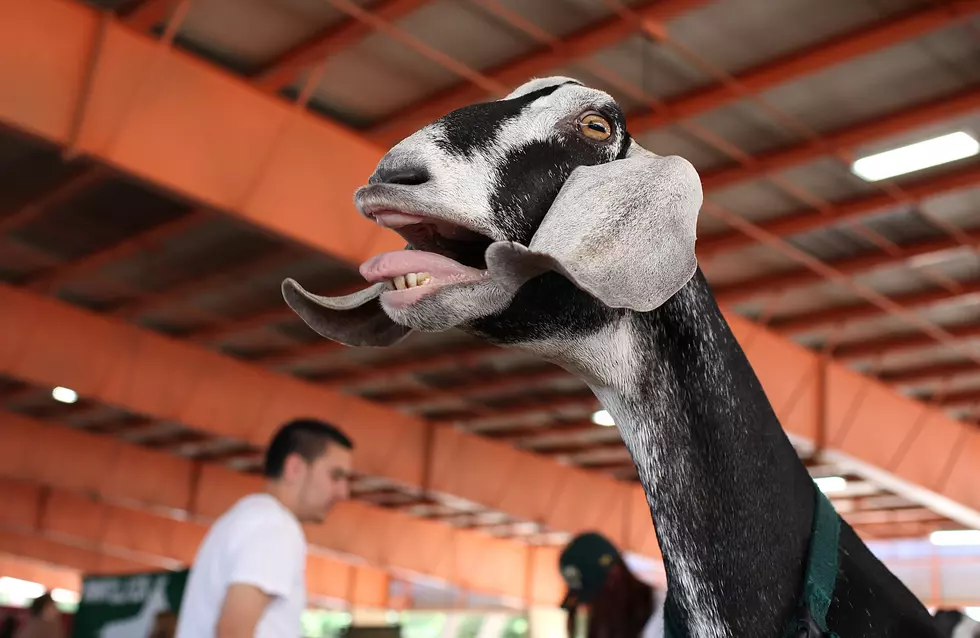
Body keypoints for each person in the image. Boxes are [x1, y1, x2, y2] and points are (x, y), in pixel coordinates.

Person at [174, 417, 354, 638]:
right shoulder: (275, 526)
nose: (343, 492)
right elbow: (233, 632)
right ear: (295, 468)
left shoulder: (247, 518)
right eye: (335, 476)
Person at [559, 532, 665, 638]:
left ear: (615, 575)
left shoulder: (667, 615)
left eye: (594, 596)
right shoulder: (616, 622)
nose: (590, 608)